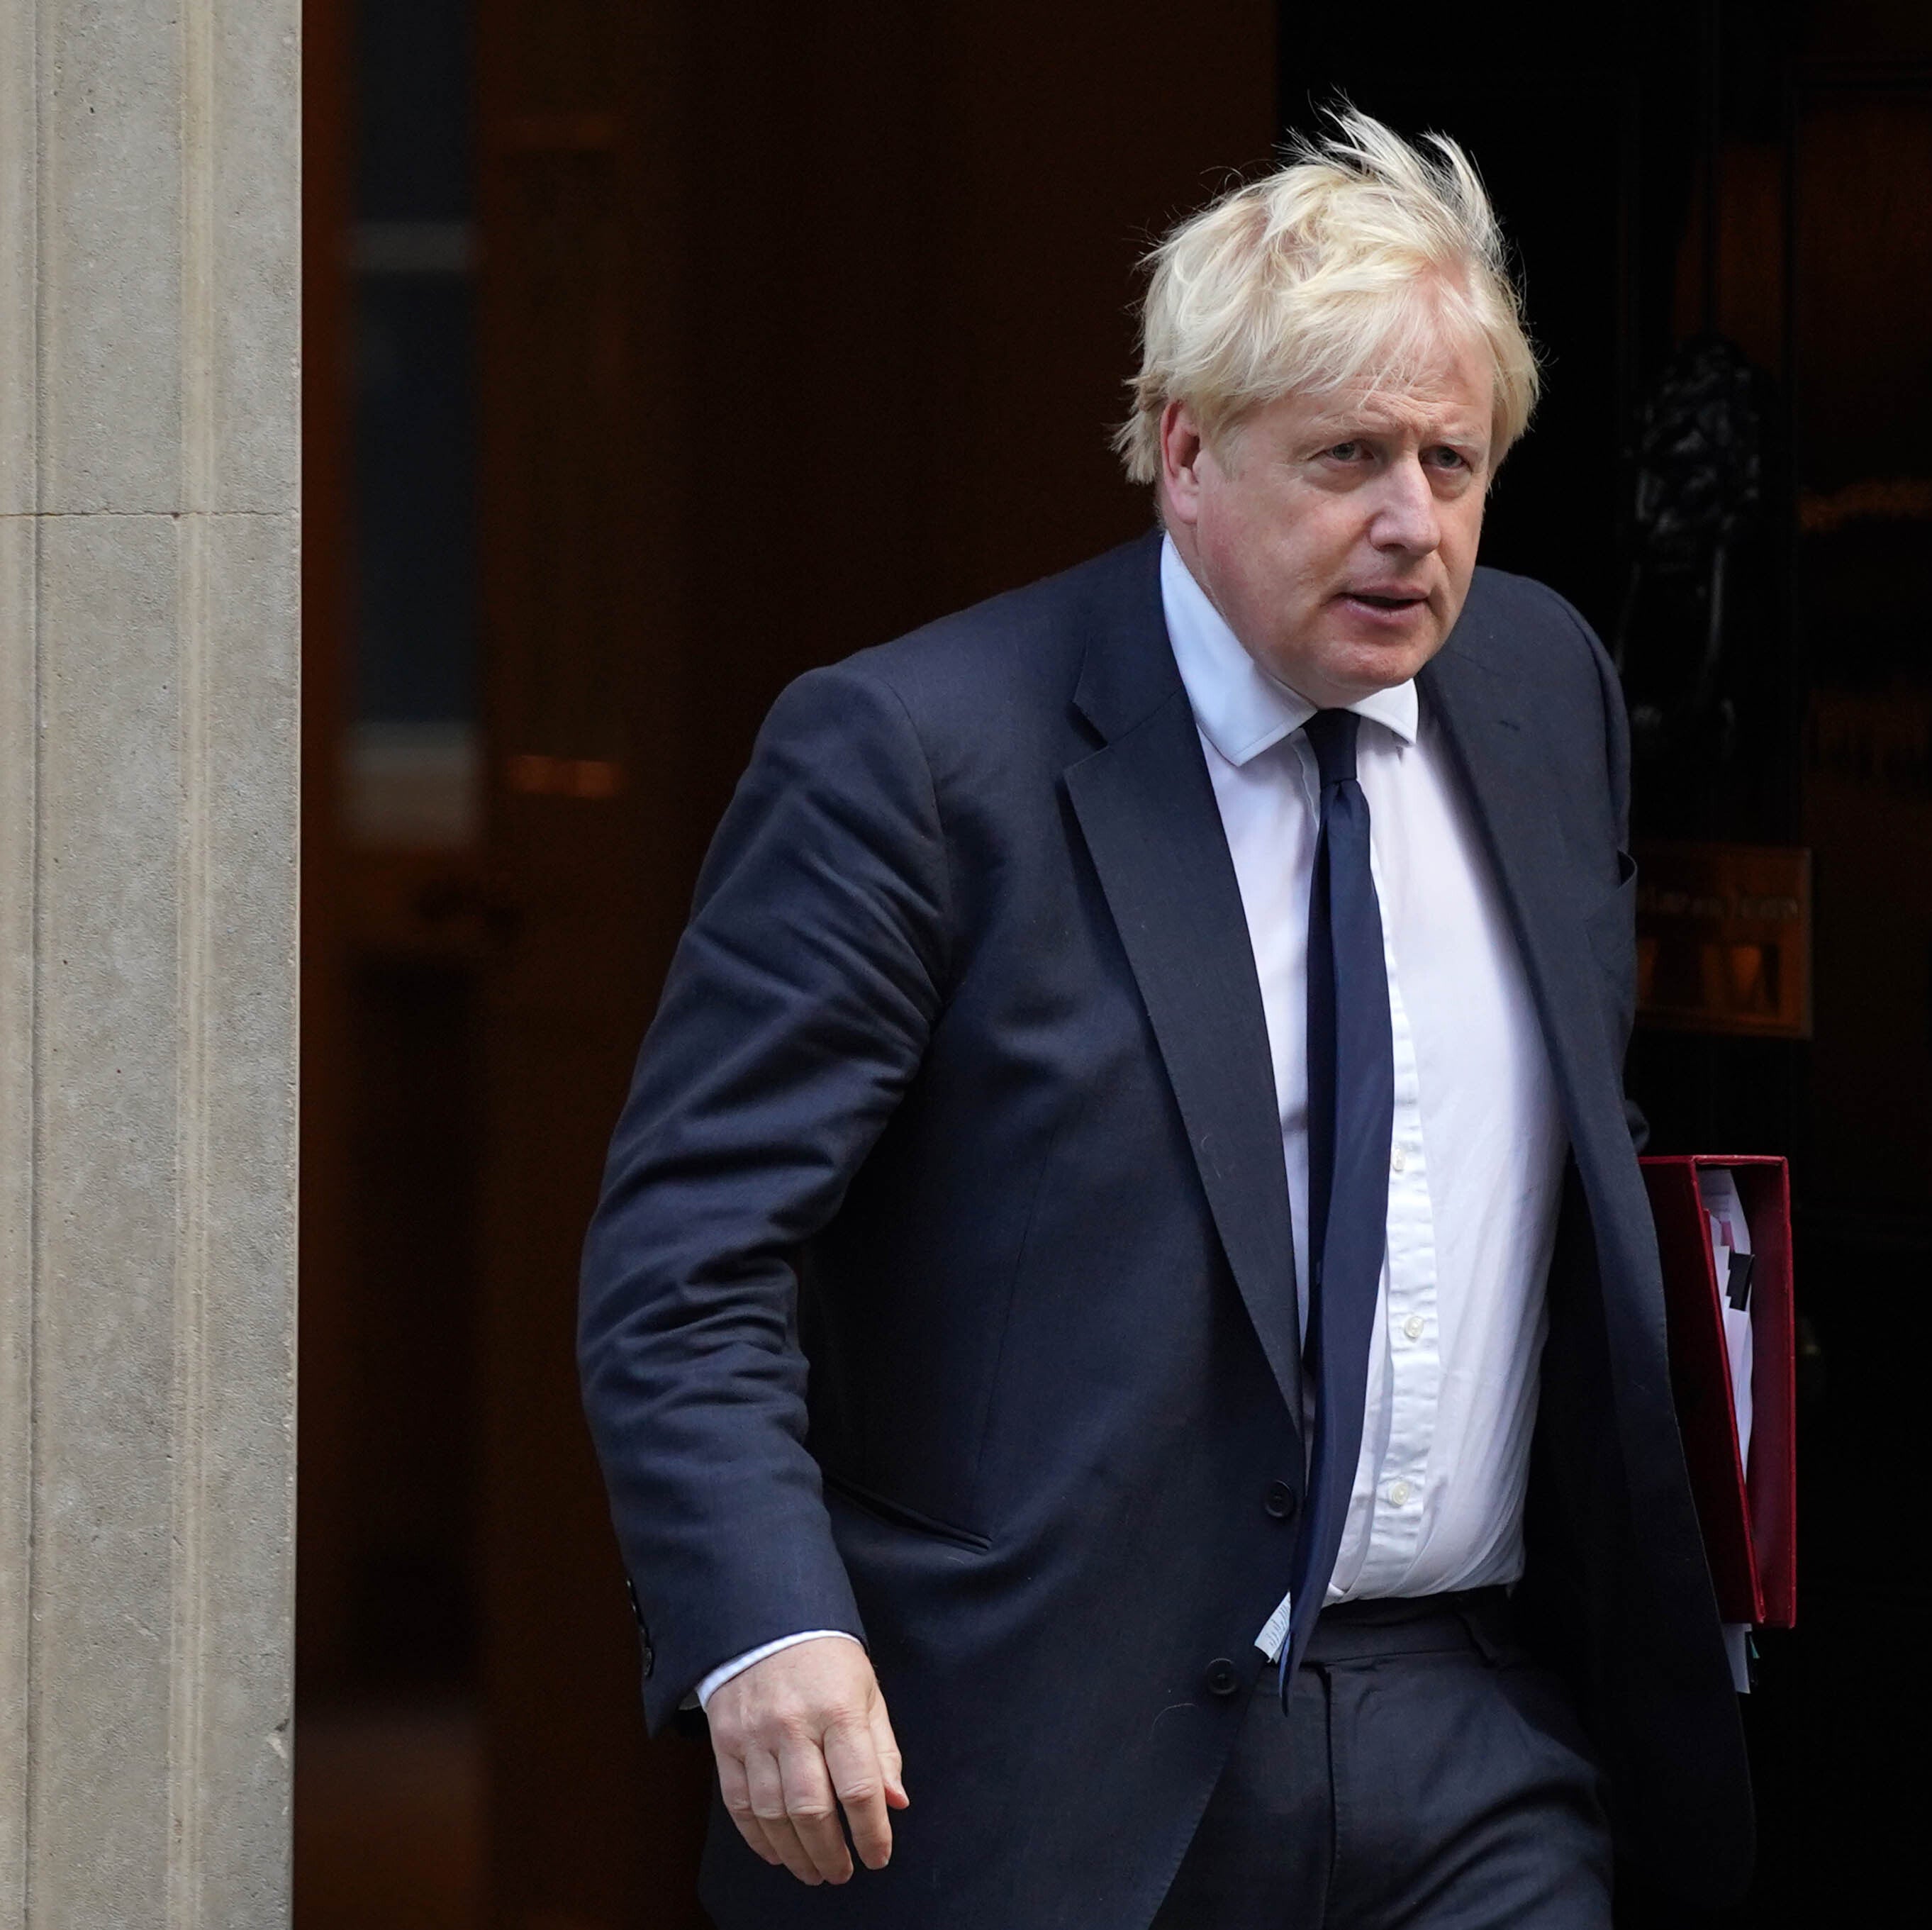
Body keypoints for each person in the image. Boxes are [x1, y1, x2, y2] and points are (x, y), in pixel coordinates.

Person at [577, 110, 1750, 1928]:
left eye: (1452, 461)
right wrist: (767, 1623)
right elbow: (687, 1256)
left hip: (1477, 1728)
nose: (1407, 523)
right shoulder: (915, 755)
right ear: (1185, 452)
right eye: (1345, 456)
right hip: (1049, 1755)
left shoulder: (1536, 685)